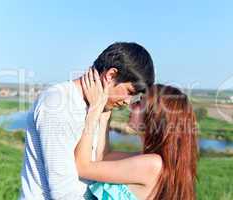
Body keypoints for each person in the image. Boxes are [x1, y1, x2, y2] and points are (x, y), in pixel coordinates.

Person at [19, 42, 155, 200]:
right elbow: (63, 192)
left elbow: (99, 161)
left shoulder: (98, 107)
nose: (128, 101)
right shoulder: (58, 102)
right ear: (110, 75)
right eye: (129, 92)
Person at [75, 71, 198, 200]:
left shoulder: (153, 164)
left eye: (139, 102)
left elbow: (82, 167)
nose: (131, 105)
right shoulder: (150, 159)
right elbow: (104, 157)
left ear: (155, 117)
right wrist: (105, 112)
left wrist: (93, 111)